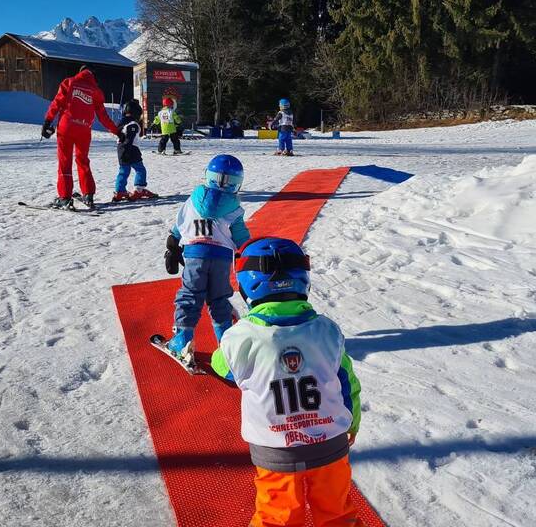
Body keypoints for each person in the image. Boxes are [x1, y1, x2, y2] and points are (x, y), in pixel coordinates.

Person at [210, 237, 363, 527]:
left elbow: (223, 368)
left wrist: (235, 333)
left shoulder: (240, 337)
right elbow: (347, 382)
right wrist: (352, 423)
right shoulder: (328, 331)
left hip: (276, 448)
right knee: (338, 515)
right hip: (329, 442)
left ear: (245, 283)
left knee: (276, 518)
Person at [164, 154, 251, 358]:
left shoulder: (194, 199)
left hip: (195, 254)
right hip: (221, 258)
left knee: (190, 295)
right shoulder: (235, 209)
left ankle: (183, 337)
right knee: (219, 299)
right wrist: (249, 252)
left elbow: (180, 224)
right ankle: (225, 345)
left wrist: (173, 244)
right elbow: (241, 237)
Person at [41, 66, 123, 210]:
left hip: (66, 127)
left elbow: (57, 102)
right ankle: (88, 194)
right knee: (82, 160)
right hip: (84, 130)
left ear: (80, 72)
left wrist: (48, 121)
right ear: (93, 76)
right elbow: (103, 116)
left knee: (65, 161)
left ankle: (65, 197)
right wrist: (117, 131)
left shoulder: (69, 82)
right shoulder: (96, 91)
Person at [113, 100, 158, 202]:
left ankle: (120, 191)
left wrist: (123, 151)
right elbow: (129, 138)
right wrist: (127, 151)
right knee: (140, 169)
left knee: (123, 171)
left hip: (120, 149)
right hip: (131, 149)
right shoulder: (133, 124)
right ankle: (139, 190)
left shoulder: (121, 123)